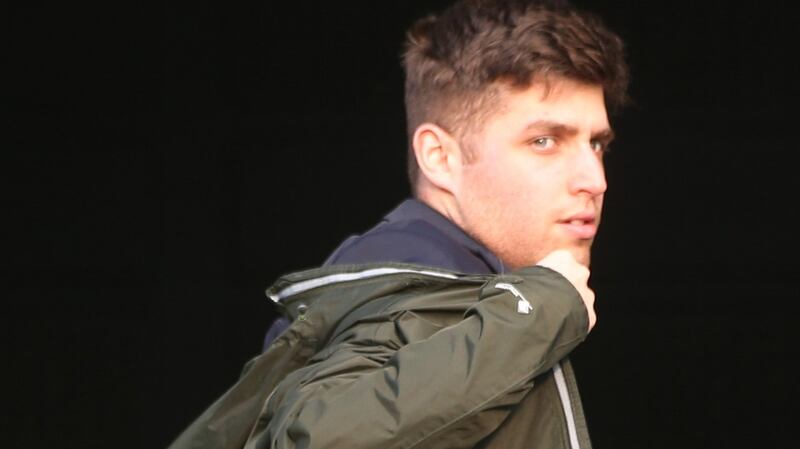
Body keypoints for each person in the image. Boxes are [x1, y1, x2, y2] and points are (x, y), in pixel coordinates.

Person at [168, 0, 628, 448]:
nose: (595, 180)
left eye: (597, 144)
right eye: (545, 141)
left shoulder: (476, 294)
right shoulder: (407, 291)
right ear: (440, 157)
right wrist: (538, 314)